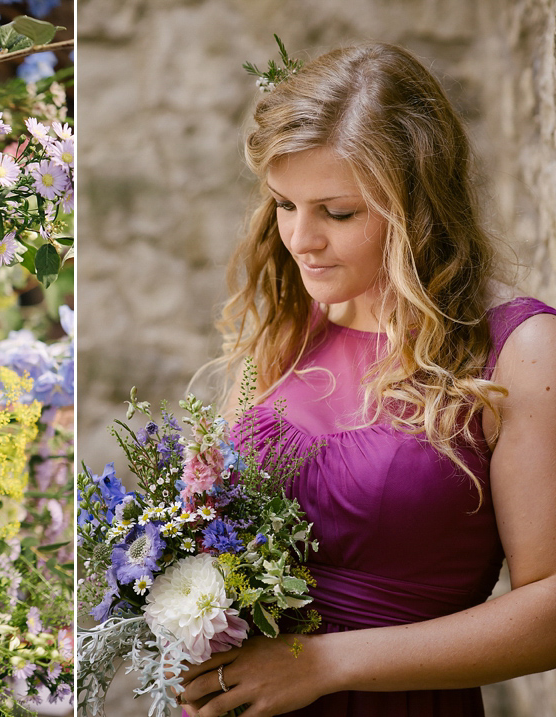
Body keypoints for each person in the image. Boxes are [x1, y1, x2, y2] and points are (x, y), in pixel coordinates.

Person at [177, 42, 556, 717]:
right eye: (284, 204)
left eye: (338, 212)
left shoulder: (519, 351)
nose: (299, 239)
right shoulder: (287, 326)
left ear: (421, 205)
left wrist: (322, 662)